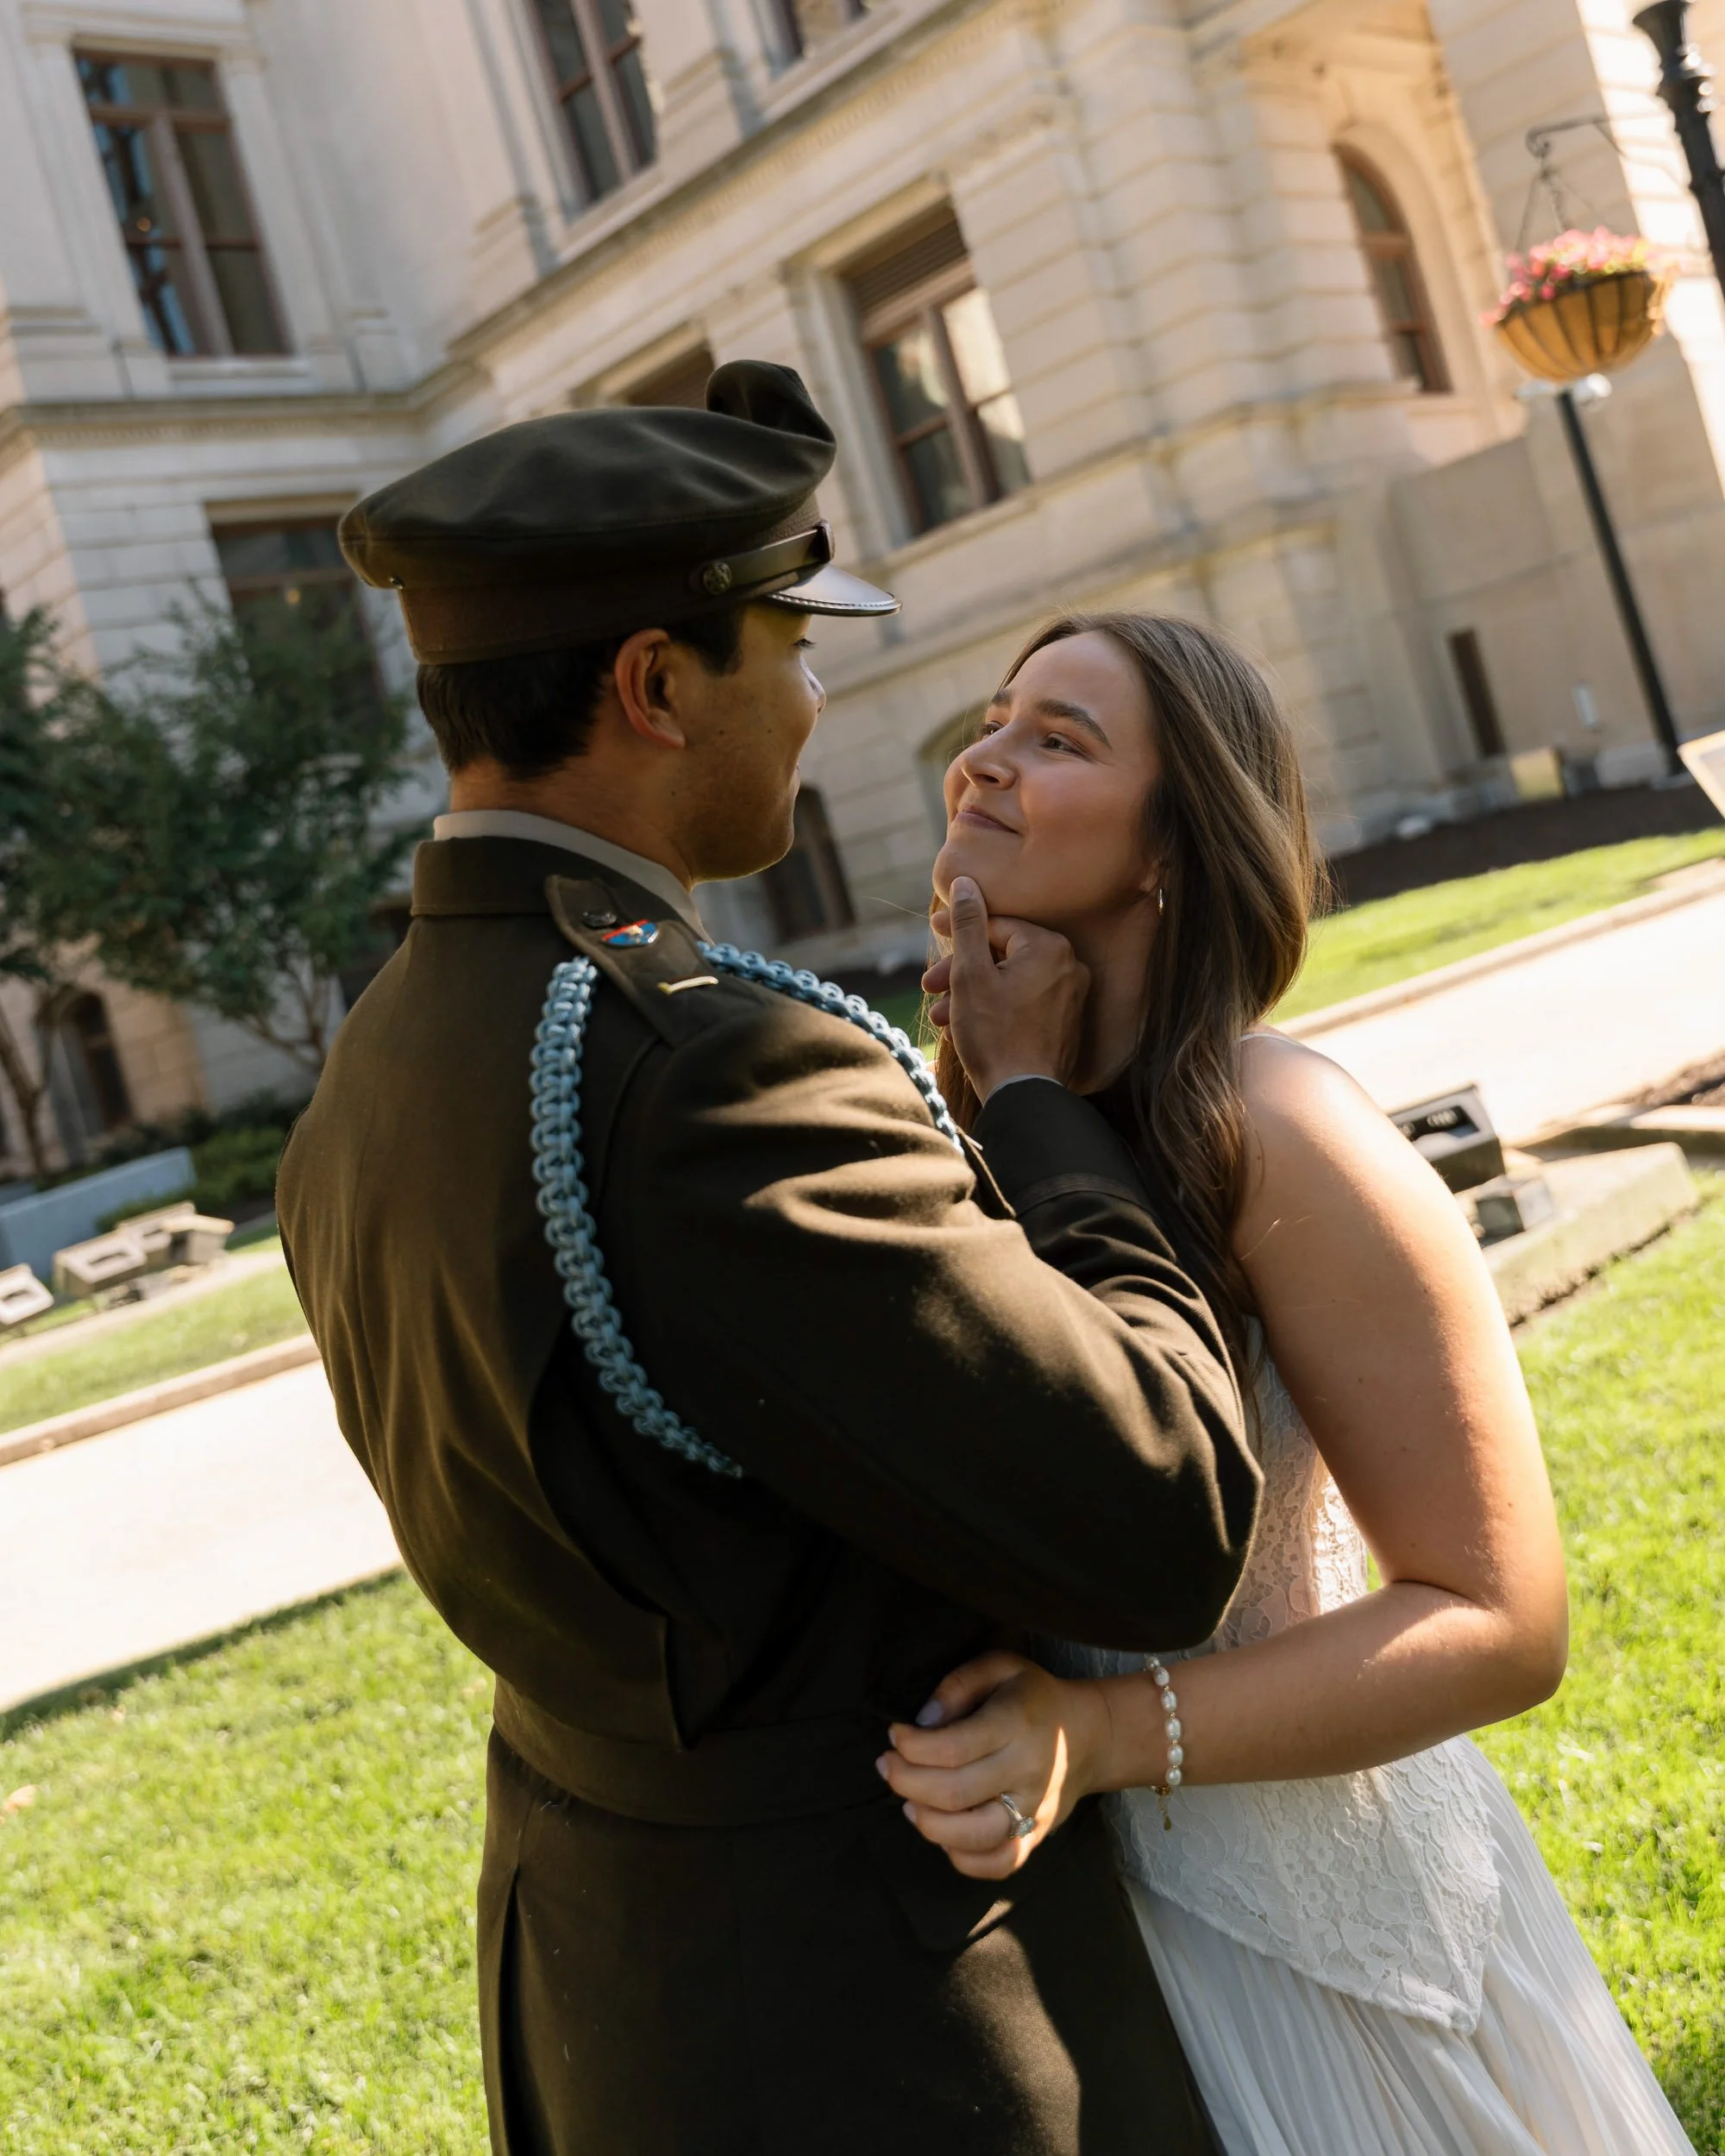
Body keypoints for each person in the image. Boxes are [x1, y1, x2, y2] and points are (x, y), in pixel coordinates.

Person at [277, 369, 1261, 2155]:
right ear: (656, 685)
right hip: (862, 2030)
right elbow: (1166, 1509)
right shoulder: (708, 1064)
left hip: (612, 1979)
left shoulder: (375, 1056)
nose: (817, 697)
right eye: (787, 644)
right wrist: (1040, 1106)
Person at [880, 610, 1697, 2156]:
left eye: (1059, 739)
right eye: (994, 723)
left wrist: (1101, 1737)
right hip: (1085, 1963)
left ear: (1171, 847)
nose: (983, 760)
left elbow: (1499, 1619)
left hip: (1340, 1956)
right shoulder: (964, 1146)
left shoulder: (1280, 1123)